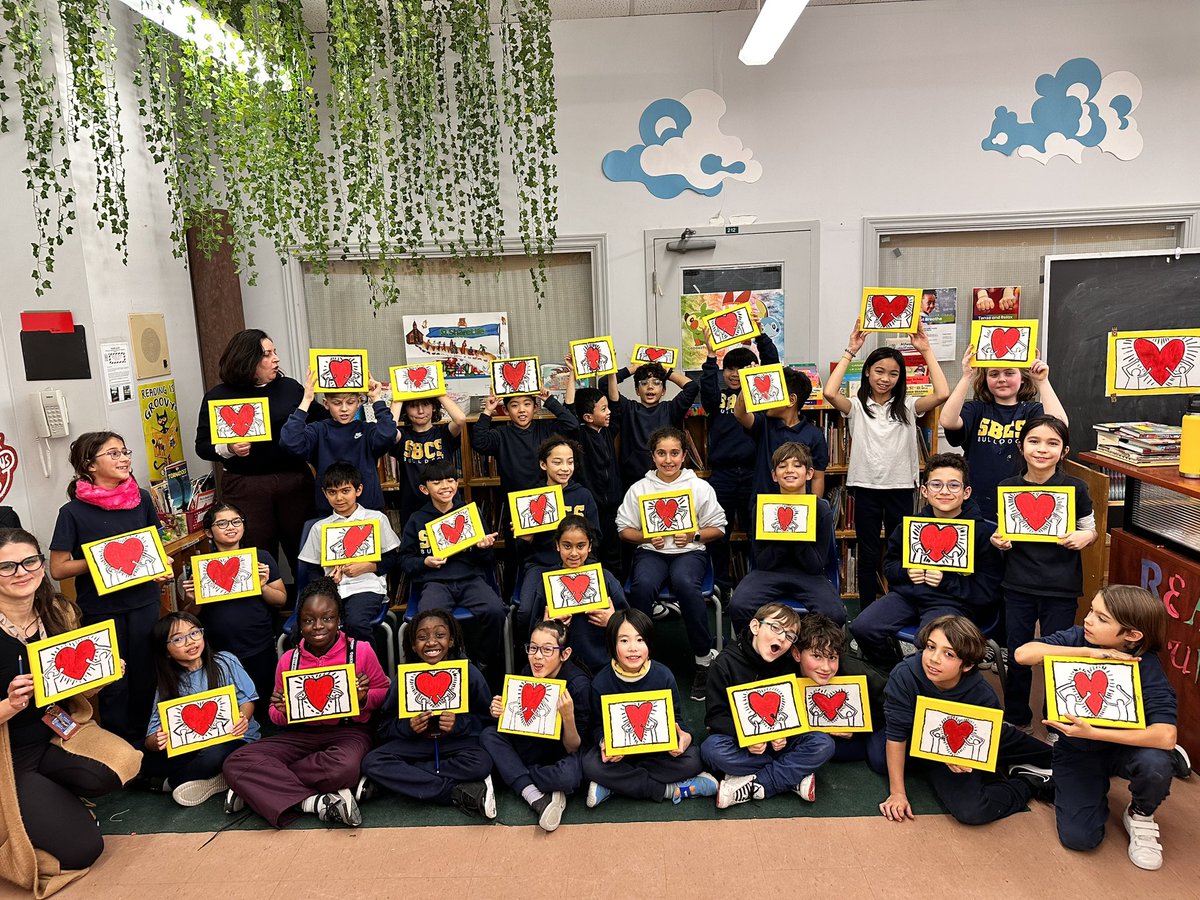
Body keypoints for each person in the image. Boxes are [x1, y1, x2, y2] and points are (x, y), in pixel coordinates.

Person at [0, 528, 139, 894]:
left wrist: (104, 674)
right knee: (83, 850)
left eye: (29, 561)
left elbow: (73, 686)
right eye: (6, 566)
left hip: (54, 735)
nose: (21, 572)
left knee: (118, 767)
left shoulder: (56, 611)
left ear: (41, 564)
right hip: (9, 758)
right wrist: (8, 705)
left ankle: (51, 803)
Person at [1015, 586, 1179, 870]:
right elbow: (1022, 654)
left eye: (1102, 618)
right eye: (1091, 610)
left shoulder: (1145, 663)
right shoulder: (1079, 637)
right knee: (1080, 838)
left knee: (1156, 761)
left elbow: (1166, 736)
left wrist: (1094, 732)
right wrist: (1086, 653)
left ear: (1132, 635)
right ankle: (1060, 785)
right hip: (1078, 751)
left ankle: (1140, 814)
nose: (1089, 619)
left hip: (1121, 748)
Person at [222, 578, 388, 828]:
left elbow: (384, 693)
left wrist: (364, 698)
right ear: (299, 624)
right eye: (309, 621)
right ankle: (315, 801)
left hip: (348, 732)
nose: (318, 627)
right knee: (236, 761)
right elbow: (275, 715)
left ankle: (259, 786)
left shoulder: (360, 651)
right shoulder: (289, 659)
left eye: (327, 618)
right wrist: (283, 711)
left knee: (343, 769)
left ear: (339, 619)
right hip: (301, 734)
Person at [48, 432, 174, 743]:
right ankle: (121, 748)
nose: (125, 459)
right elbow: (58, 567)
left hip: (144, 601)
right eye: (114, 454)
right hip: (101, 608)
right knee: (114, 682)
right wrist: (102, 558)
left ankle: (147, 744)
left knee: (146, 676)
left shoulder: (141, 498)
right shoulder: (72, 513)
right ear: (89, 465)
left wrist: (162, 566)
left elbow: (155, 545)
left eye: (125, 451)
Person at [878, 615, 1054, 826]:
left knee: (1057, 759)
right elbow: (897, 735)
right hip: (924, 743)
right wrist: (897, 793)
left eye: (948, 654)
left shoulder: (982, 695)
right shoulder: (904, 675)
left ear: (968, 664)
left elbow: (980, 744)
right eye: (931, 647)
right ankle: (1030, 782)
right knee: (972, 811)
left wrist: (965, 755)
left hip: (974, 738)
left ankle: (1015, 760)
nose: (934, 658)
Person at [823, 319, 950, 608]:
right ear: (867, 372)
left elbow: (942, 393)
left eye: (893, 373)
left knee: (901, 553)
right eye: (879, 371)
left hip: (901, 489)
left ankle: (898, 608)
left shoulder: (907, 406)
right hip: (865, 488)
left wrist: (926, 350)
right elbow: (830, 393)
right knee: (868, 556)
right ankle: (868, 613)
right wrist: (851, 350)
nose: (885, 378)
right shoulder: (856, 406)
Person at [991, 416, 1097, 728]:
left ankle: (1055, 720)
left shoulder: (1076, 488)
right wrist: (999, 539)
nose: (1042, 449)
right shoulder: (1007, 488)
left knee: (1058, 655)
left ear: (1064, 451)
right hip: (1018, 584)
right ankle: (1016, 715)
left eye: (1052, 443)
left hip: (1061, 586)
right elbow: (1002, 528)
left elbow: (1090, 530)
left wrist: (1084, 537)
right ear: (1021, 446)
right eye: (1034, 441)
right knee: (1019, 652)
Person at [849, 454, 1002, 667]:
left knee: (930, 644)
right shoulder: (910, 528)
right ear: (924, 491)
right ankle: (894, 672)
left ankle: (921, 682)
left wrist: (946, 580)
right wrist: (906, 572)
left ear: (966, 492)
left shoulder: (980, 534)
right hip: (908, 596)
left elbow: (987, 591)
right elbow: (890, 567)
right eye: (936, 484)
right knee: (862, 627)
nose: (945, 491)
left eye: (954, 485)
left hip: (952, 604)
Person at [195, 329, 327, 576]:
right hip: (246, 486)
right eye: (267, 354)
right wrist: (228, 448)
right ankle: (263, 611)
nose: (276, 358)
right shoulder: (218, 396)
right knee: (256, 553)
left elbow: (323, 421)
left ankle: (311, 607)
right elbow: (202, 446)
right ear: (248, 360)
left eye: (275, 352)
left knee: (305, 549)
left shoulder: (289, 388)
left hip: (294, 482)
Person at [616, 426, 726, 701]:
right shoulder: (639, 488)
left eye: (674, 453)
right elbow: (623, 529)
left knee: (686, 585)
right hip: (651, 552)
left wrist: (695, 534)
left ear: (684, 456)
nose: (668, 460)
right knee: (642, 586)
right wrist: (644, 536)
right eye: (661, 453)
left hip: (689, 552)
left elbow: (720, 527)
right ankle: (639, 658)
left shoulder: (699, 487)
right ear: (652, 456)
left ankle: (703, 658)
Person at [359, 608, 496, 818]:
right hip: (415, 744)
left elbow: (487, 722)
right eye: (422, 638)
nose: (431, 642)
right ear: (413, 645)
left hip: (456, 744)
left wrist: (459, 724)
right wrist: (408, 727)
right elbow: (383, 727)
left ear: (451, 641)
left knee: (482, 762)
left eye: (440, 635)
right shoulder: (403, 679)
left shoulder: (469, 673)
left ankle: (404, 777)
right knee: (372, 762)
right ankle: (454, 792)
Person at [702, 603, 835, 808]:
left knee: (823, 744)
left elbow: (794, 711)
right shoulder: (724, 663)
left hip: (781, 744)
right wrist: (747, 738)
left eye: (790, 636)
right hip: (744, 744)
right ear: (755, 627)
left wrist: (786, 734)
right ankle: (792, 776)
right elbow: (716, 718)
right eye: (775, 628)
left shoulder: (789, 663)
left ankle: (750, 783)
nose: (782, 638)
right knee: (711, 750)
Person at [581, 610, 716, 807]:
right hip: (620, 756)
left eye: (640, 640)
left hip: (656, 754)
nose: (633, 648)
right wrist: (604, 742)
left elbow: (676, 719)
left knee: (694, 759)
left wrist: (684, 737)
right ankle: (671, 790)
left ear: (649, 644)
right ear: (612, 644)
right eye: (624, 641)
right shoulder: (601, 682)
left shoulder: (663, 676)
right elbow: (596, 726)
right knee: (589, 764)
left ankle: (615, 784)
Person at [480, 619, 591, 832]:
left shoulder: (578, 686)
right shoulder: (527, 672)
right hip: (532, 744)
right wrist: (500, 712)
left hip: (560, 752)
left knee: (568, 776)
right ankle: (535, 795)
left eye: (547, 650)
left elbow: (574, 747)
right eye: (532, 648)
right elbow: (517, 724)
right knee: (488, 735)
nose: (537, 656)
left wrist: (568, 718)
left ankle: (517, 778)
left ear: (564, 654)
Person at [141, 612, 258, 807]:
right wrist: (157, 741)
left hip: (235, 739)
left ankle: (170, 783)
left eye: (194, 633)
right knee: (137, 754)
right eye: (178, 639)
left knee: (214, 755)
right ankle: (216, 776)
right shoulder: (167, 684)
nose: (190, 642)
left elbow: (248, 700)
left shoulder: (225, 662)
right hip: (192, 748)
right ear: (167, 651)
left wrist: (242, 717)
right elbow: (151, 738)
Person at [727, 442, 843, 634]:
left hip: (809, 576)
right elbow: (762, 561)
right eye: (782, 466)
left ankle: (808, 651)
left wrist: (798, 533)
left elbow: (815, 565)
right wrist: (784, 534)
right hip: (768, 573)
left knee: (834, 613)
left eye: (797, 465)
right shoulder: (763, 508)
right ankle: (751, 652)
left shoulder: (821, 509)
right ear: (774, 475)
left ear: (809, 473)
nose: (790, 470)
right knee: (738, 605)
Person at [940, 344, 1067, 518]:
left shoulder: (1032, 411)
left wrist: (1042, 381)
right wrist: (966, 376)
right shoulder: (976, 409)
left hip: (1022, 501)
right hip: (978, 501)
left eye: (1009, 373)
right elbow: (947, 420)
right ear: (985, 379)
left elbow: (1059, 425)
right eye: (993, 374)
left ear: (1022, 377)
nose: (1001, 379)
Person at [700, 317, 779, 593]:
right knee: (718, 533)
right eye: (730, 368)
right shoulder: (717, 397)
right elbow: (706, 387)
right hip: (721, 476)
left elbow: (771, 366)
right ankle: (721, 584)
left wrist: (760, 335)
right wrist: (711, 355)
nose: (734, 374)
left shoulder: (761, 396)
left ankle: (758, 583)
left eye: (741, 368)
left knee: (757, 533)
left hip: (753, 474)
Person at [399, 461, 504, 667]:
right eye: (437, 482)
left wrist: (484, 549)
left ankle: (484, 663)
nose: (446, 486)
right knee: (428, 620)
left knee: (495, 610)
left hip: (470, 578)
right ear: (424, 488)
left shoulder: (468, 514)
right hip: (435, 582)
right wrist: (425, 562)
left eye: (451, 480)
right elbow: (405, 560)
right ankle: (445, 664)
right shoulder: (417, 519)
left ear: (457, 484)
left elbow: (487, 560)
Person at [183, 502, 286, 708]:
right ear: (208, 532)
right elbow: (189, 616)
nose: (231, 527)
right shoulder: (202, 566)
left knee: (266, 704)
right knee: (231, 706)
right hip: (219, 650)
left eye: (236, 521)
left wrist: (262, 586)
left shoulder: (260, 558)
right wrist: (194, 599)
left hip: (259, 643)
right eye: (222, 523)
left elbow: (281, 600)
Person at [296, 462, 401, 642]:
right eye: (332, 492)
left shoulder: (376, 519)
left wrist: (370, 566)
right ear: (324, 493)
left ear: (358, 490)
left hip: (366, 586)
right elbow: (312, 569)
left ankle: (366, 669)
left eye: (345, 491)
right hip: (331, 590)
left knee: (355, 623)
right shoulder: (320, 528)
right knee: (305, 628)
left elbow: (393, 558)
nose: (339, 498)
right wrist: (327, 581)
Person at [280, 367, 397, 517]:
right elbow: (289, 442)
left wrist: (376, 399)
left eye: (350, 402)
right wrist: (306, 400)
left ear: (359, 402)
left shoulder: (367, 430)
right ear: (326, 403)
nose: (344, 409)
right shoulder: (318, 430)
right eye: (336, 403)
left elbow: (388, 434)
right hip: (329, 513)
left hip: (368, 510)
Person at [520, 516, 627, 672]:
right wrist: (546, 624)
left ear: (590, 546)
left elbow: (630, 621)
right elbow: (534, 630)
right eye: (567, 546)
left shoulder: (605, 578)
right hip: (560, 668)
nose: (574, 553)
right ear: (557, 546)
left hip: (602, 664)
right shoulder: (546, 582)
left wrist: (612, 620)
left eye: (581, 546)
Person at [791, 613, 888, 774]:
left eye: (832, 657)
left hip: (876, 720)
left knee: (878, 759)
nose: (826, 667)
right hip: (820, 729)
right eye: (817, 656)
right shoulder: (785, 672)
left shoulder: (856, 672)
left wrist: (858, 730)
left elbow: (891, 704)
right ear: (796, 654)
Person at [515, 436, 600, 619]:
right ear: (543, 464)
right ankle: (532, 645)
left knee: (594, 609)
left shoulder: (583, 495)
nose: (565, 468)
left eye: (570, 462)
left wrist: (580, 559)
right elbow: (520, 551)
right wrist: (526, 539)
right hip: (541, 564)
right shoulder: (530, 499)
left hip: (579, 563)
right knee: (526, 611)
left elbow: (597, 538)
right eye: (557, 462)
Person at [733, 366, 829, 500]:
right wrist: (748, 381)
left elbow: (817, 477)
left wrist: (814, 509)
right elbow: (740, 414)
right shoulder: (764, 424)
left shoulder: (814, 435)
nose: (768, 398)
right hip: (763, 505)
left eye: (774, 392)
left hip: (799, 506)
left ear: (791, 400)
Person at [609, 360, 699, 489]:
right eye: (644, 383)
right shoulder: (627, 408)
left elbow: (692, 387)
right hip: (632, 480)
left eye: (656, 383)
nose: (650, 387)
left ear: (663, 391)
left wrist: (666, 371)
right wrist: (635, 368)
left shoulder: (670, 409)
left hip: (666, 479)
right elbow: (606, 383)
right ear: (637, 390)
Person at [564, 377, 622, 574]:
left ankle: (616, 599)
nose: (609, 412)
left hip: (613, 508)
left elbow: (617, 403)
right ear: (588, 417)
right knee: (591, 556)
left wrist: (612, 372)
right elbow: (569, 408)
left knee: (614, 557)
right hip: (591, 510)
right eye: (603, 409)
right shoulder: (578, 435)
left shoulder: (608, 430)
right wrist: (572, 375)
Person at [472, 388, 579, 495]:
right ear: (505, 410)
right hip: (514, 498)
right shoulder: (501, 434)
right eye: (514, 405)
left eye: (527, 404)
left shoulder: (546, 428)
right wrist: (488, 410)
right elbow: (479, 442)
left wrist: (549, 400)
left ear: (535, 408)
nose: (521, 410)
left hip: (546, 496)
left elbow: (572, 425)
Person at [388, 393, 467, 531]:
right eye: (413, 406)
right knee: (418, 550)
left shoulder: (443, 433)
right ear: (405, 409)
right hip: (413, 506)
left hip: (447, 503)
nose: (420, 411)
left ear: (434, 407)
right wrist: (398, 396)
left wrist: (438, 391)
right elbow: (388, 431)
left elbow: (460, 419)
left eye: (426, 404)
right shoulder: (402, 436)